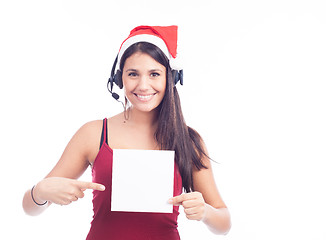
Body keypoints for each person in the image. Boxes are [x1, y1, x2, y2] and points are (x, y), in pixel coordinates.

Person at [22, 25, 231, 239]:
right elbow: (29, 208)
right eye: (133, 74)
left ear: (171, 78)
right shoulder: (93, 134)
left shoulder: (188, 140)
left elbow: (224, 224)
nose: (143, 85)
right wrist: (40, 191)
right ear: (119, 78)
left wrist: (205, 212)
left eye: (154, 74)